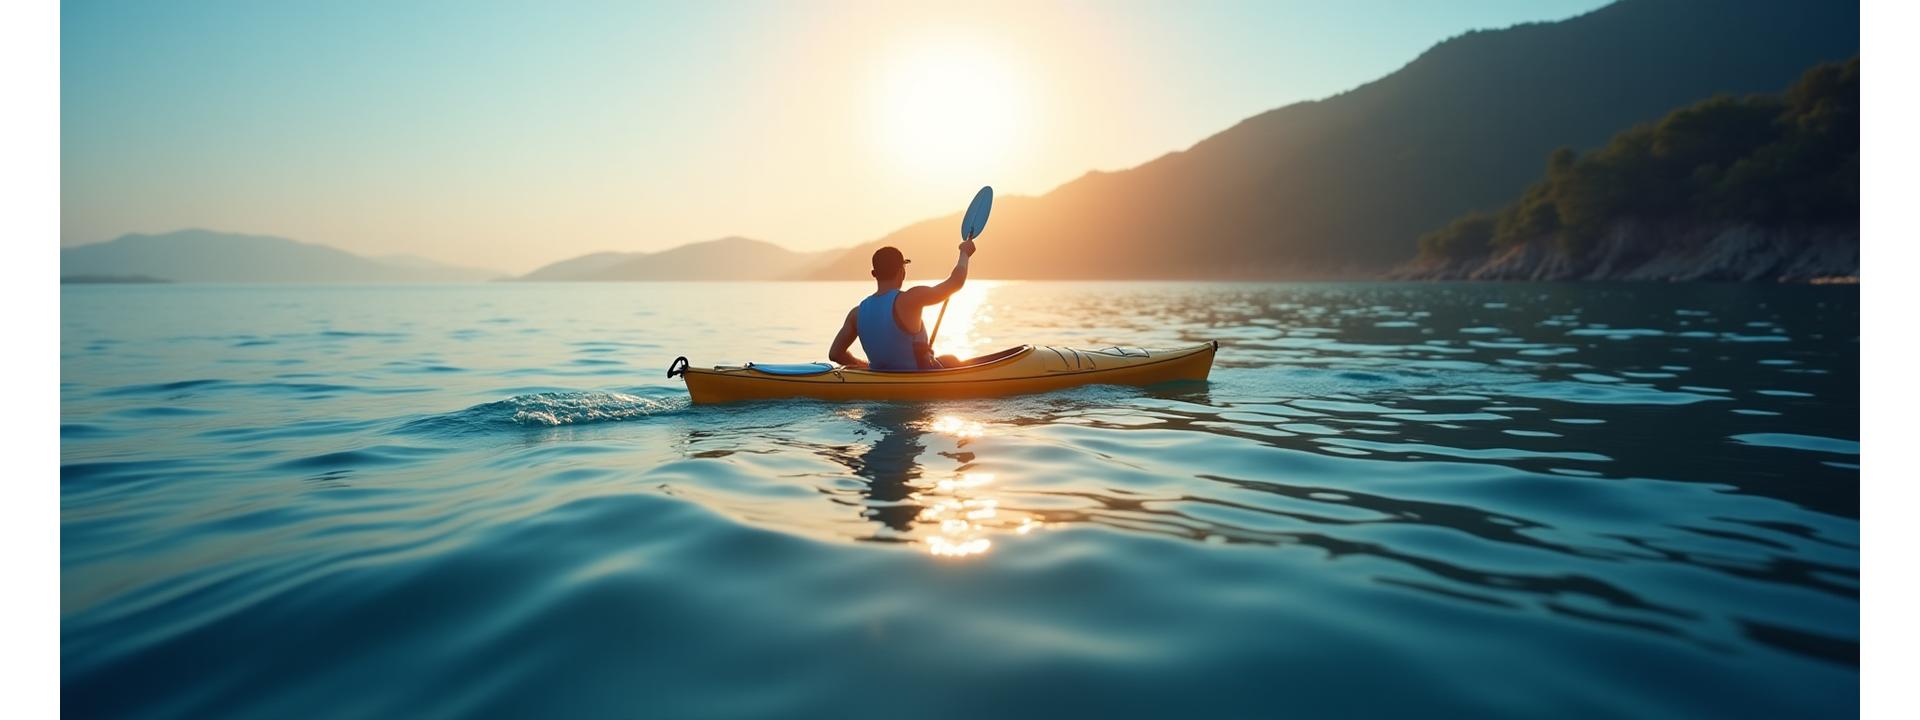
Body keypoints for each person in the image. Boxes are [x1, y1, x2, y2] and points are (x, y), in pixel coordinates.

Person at [828, 240, 975, 370]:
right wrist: (964, 253)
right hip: (919, 379)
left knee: (948, 359)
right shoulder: (911, 299)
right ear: (902, 272)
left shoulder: (856, 314)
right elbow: (956, 282)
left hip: (879, 380)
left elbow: (835, 354)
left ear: (874, 274)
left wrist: (864, 366)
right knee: (952, 360)